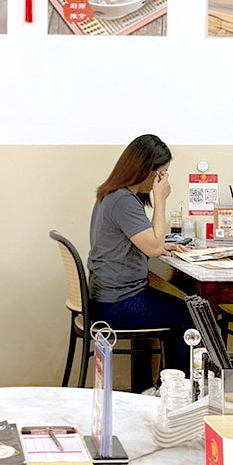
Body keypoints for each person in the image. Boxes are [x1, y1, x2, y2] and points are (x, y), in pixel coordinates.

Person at [87, 134, 192, 376]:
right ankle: (176, 391)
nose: (162, 180)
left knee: (183, 310)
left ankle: (167, 386)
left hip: (108, 296)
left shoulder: (114, 194)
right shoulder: (123, 200)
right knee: (189, 315)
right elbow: (153, 248)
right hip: (118, 302)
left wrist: (161, 243)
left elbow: (146, 241)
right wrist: (160, 199)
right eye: (161, 174)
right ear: (145, 169)